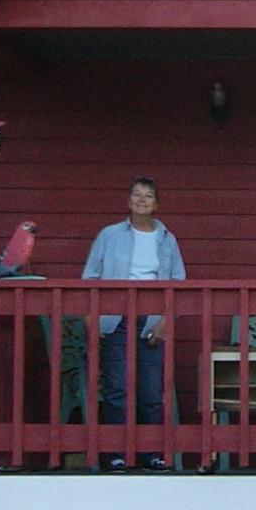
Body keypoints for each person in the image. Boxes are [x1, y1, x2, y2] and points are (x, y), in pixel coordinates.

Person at [81, 176, 188, 435]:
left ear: (156, 204)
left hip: (151, 320)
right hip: (114, 318)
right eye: (137, 195)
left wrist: (166, 322)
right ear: (129, 201)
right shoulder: (109, 235)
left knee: (151, 389)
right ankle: (115, 454)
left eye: (148, 195)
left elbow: (178, 282)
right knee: (117, 387)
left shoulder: (166, 239)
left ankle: (151, 453)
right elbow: (91, 277)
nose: (142, 200)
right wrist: (90, 317)